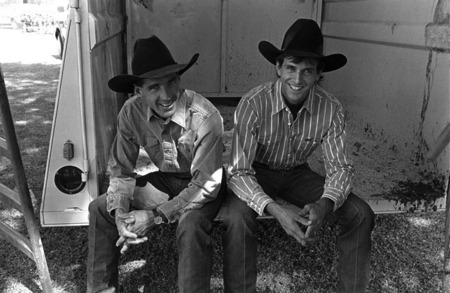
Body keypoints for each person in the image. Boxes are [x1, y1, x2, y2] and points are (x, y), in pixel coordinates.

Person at [222, 19, 375, 293]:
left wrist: (325, 204)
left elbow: (340, 168)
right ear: (278, 68)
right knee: (237, 218)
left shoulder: (331, 109)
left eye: (307, 71)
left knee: (361, 214)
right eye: (290, 68)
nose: (297, 79)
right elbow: (237, 171)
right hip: (255, 172)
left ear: (319, 75)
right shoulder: (253, 103)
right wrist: (275, 210)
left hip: (297, 174)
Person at [86, 35, 226, 293]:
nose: (167, 95)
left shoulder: (206, 116)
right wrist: (119, 214)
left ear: (179, 79)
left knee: (190, 223)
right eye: (154, 88)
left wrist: (156, 215)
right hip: (167, 180)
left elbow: (207, 185)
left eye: (171, 81)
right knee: (99, 207)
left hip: (204, 185)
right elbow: (121, 169)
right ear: (139, 92)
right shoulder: (130, 112)